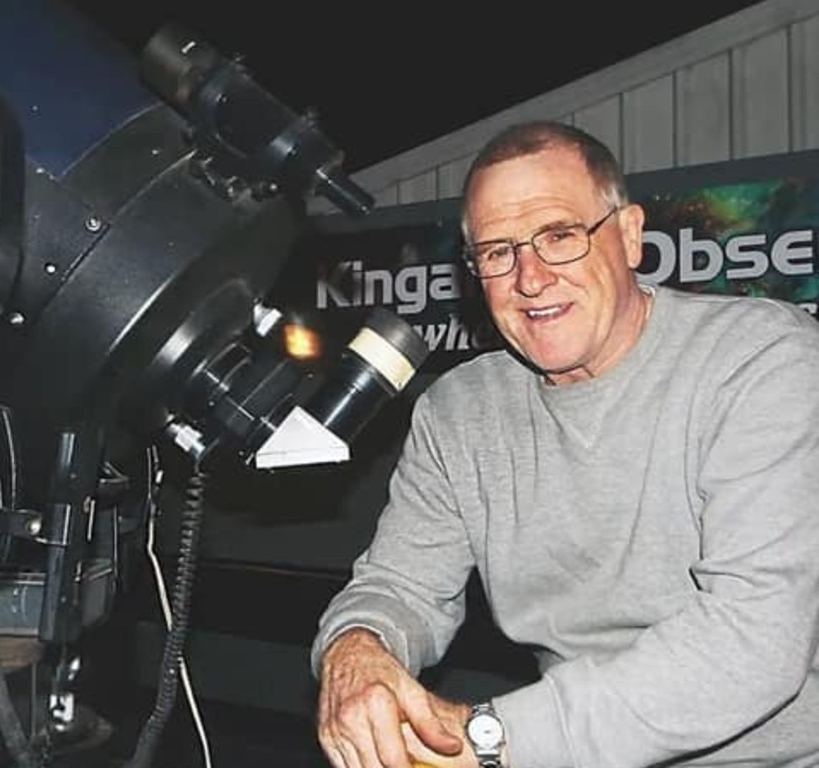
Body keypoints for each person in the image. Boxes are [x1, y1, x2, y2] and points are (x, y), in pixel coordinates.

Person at [309, 119, 819, 768]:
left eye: (559, 237)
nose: (530, 277)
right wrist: (358, 648)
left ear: (630, 236)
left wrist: (491, 740)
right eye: (498, 251)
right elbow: (399, 585)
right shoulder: (459, 411)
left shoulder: (761, 360)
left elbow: (754, 643)